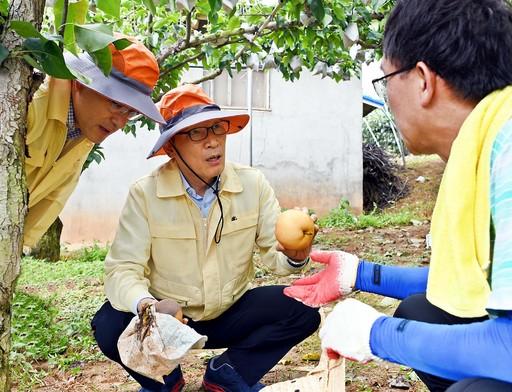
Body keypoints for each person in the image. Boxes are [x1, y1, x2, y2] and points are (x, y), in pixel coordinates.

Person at [284, 0, 512, 391]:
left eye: (386, 80)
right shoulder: (488, 140)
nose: (387, 98)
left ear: (422, 79)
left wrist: (377, 334)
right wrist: (360, 273)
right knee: (423, 312)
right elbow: (464, 286)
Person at [91, 84, 321, 392]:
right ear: (172, 148)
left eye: (216, 128)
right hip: (170, 319)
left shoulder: (253, 184)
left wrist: (296, 254)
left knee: (303, 308)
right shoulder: (145, 194)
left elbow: (273, 255)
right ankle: (165, 381)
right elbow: (122, 269)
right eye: (197, 133)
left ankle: (226, 373)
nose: (213, 141)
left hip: (231, 312)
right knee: (108, 325)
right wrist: (149, 306)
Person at [24, 35, 164, 248]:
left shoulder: (84, 136)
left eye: (131, 111)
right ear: (81, 81)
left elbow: (50, 202)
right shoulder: (29, 106)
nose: (120, 122)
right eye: (116, 104)